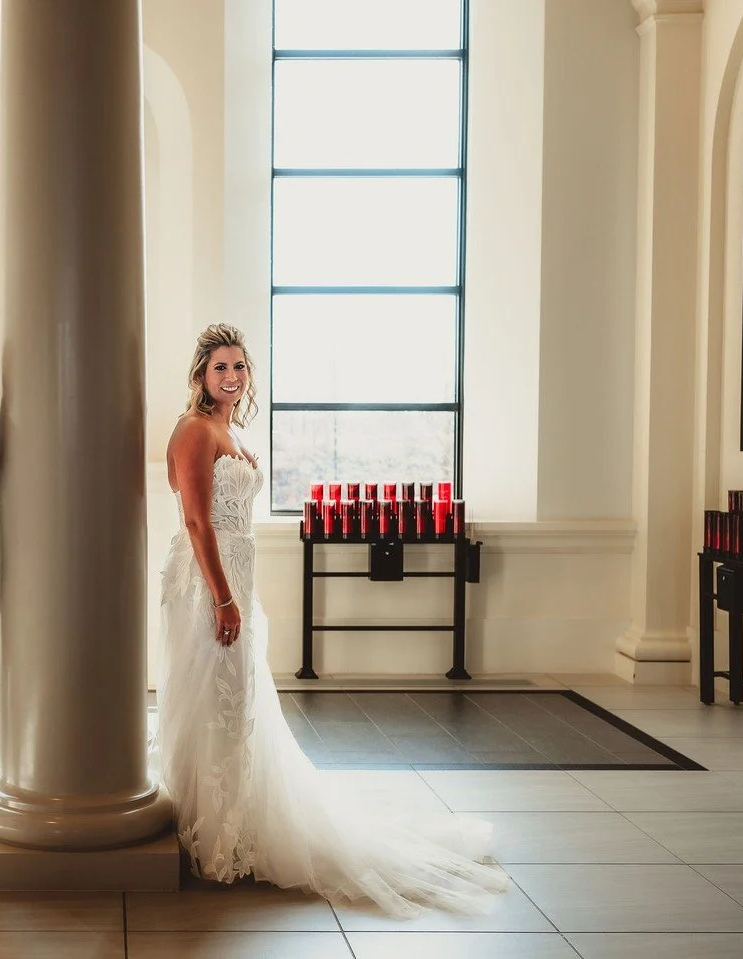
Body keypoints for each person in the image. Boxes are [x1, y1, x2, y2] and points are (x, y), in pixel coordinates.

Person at [157, 323, 508, 916]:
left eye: (240, 367)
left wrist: (236, 589)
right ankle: (208, 834)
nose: (233, 377)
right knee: (211, 696)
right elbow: (197, 523)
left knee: (237, 700)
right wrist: (220, 597)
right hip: (206, 579)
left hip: (237, 574)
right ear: (200, 375)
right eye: (221, 368)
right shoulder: (194, 429)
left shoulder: (231, 429)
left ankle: (232, 826)